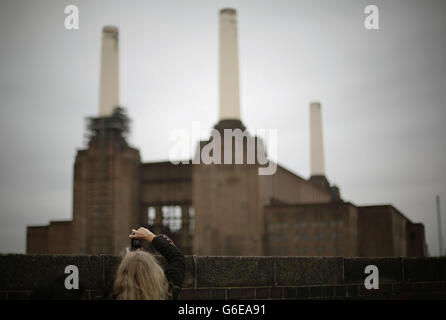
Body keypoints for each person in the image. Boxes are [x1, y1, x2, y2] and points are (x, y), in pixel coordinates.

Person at [112, 227, 185, 300]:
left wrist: (130, 260)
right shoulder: (166, 294)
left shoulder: (114, 295)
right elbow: (177, 258)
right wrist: (150, 236)